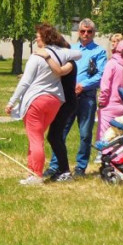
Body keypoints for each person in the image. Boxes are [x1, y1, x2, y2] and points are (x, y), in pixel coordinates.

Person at [6, 24, 68, 185]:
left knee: (35, 138)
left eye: (38, 36)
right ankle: (31, 170)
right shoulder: (60, 54)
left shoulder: (37, 57)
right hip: (55, 100)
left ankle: (36, 175)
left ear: (45, 37)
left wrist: (12, 101)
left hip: (36, 100)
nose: (36, 38)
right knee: (37, 137)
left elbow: (25, 82)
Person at [48, 18, 106, 178]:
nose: (86, 34)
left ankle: (81, 167)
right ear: (78, 32)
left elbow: (101, 75)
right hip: (68, 96)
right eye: (82, 31)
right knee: (60, 132)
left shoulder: (99, 52)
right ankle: (56, 165)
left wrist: (83, 85)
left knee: (85, 134)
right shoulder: (71, 49)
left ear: (94, 33)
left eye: (89, 31)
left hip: (86, 97)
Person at [36, 32, 82, 182]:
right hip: (61, 103)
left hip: (68, 103)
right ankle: (62, 169)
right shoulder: (62, 60)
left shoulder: (70, 63)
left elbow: (59, 71)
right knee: (55, 136)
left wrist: (47, 57)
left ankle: (65, 171)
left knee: (55, 136)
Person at [97, 39, 123, 143]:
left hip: (110, 105)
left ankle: (103, 155)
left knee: (105, 134)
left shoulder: (112, 64)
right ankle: (119, 156)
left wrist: (102, 102)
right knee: (121, 134)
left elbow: (105, 86)